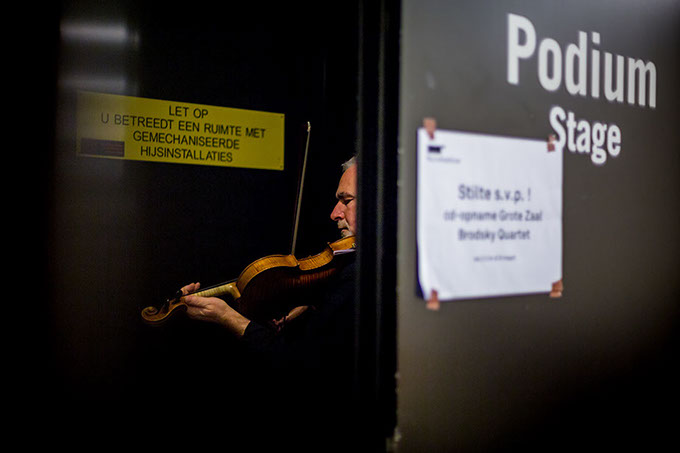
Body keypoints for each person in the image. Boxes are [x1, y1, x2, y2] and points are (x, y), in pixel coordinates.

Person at [178, 157, 359, 444]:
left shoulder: (357, 278)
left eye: (346, 200)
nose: (334, 213)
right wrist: (304, 309)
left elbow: (299, 366)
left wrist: (228, 317)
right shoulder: (351, 271)